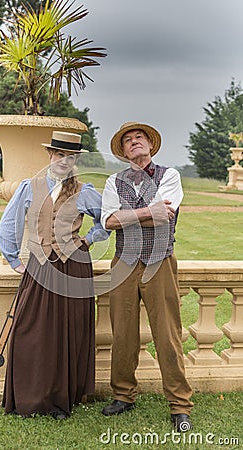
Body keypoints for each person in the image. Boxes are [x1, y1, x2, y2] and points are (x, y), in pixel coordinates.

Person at [0, 131, 109, 419]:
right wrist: (14, 260)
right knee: (30, 330)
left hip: (74, 266)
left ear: (75, 161)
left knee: (68, 333)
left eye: (70, 157)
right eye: (59, 155)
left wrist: (90, 237)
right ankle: (29, 397)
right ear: (50, 156)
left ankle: (61, 400)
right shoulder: (30, 186)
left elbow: (107, 218)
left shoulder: (84, 191)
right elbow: (9, 224)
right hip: (41, 265)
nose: (63, 160)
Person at [100, 122, 193, 432]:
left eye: (139, 137)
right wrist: (145, 213)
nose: (134, 142)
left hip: (159, 261)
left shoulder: (169, 176)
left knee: (167, 333)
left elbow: (165, 215)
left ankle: (179, 405)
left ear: (150, 144)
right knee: (122, 333)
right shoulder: (114, 181)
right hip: (124, 263)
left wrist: (130, 216)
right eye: (128, 140)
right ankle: (123, 396)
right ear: (123, 151)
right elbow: (110, 221)